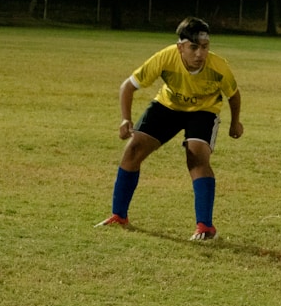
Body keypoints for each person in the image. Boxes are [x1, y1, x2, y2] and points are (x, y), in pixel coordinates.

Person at [96, 17, 244, 240]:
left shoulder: (218, 67)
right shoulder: (165, 57)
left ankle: (205, 227)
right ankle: (119, 216)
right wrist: (125, 119)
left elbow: (234, 95)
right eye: (193, 47)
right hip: (168, 106)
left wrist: (235, 122)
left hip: (204, 110)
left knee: (196, 157)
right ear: (180, 47)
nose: (200, 54)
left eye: (204, 47)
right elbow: (127, 87)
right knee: (133, 150)